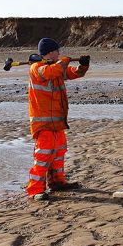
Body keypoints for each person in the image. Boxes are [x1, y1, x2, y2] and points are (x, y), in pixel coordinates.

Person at [26, 38, 90, 201]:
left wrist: (83, 65)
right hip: (43, 123)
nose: (59, 53)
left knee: (59, 152)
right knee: (43, 155)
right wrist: (63, 61)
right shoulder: (37, 68)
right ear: (49, 53)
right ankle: (35, 190)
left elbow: (75, 73)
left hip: (57, 122)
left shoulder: (56, 67)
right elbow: (51, 72)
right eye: (56, 51)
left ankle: (57, 182)